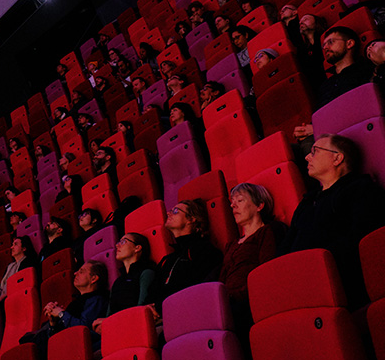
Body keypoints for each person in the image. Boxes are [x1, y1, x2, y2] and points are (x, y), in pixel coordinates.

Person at [280, 134, 385, 309]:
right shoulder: (307, 202)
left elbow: (360, 243)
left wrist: (310, 266)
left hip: (336, 284)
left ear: (337, 158)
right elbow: (286, 246)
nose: (307, 157)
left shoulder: (361, 190)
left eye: (315, 151)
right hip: (297, 283)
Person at [220, 183, 283, 335]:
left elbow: (265, 272)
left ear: (259, 206)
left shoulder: (266, 232)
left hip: (249, 303)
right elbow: (221, 279)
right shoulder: (231, 245)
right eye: (232, 202)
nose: (233, 205)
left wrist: (232, 298)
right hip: (227, 304)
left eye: (240, 200)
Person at [21, 261, 109, 351]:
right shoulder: (77, 301)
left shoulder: (96, 300)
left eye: (81, 272)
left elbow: (83, 329)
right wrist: (53, 322)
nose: (75, 273)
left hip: (75, 347)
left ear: (93, 279)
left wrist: (61, 314)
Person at [156, 200, 222, 314]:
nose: (168, 213)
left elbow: (198, 289)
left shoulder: (204, 250)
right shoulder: (167, 260)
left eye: (175, 211)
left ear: (191, 219)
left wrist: (160, 308)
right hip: (164, 314)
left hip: (188, 313)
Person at [92, 233, 157, 334]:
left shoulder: (146, 273)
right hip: (119, 330)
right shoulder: (118, 282)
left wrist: (110, 322)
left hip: (138, 329)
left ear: (137, 248)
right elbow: (109, 314)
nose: (117, 245)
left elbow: (141, 310)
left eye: (123, 242)